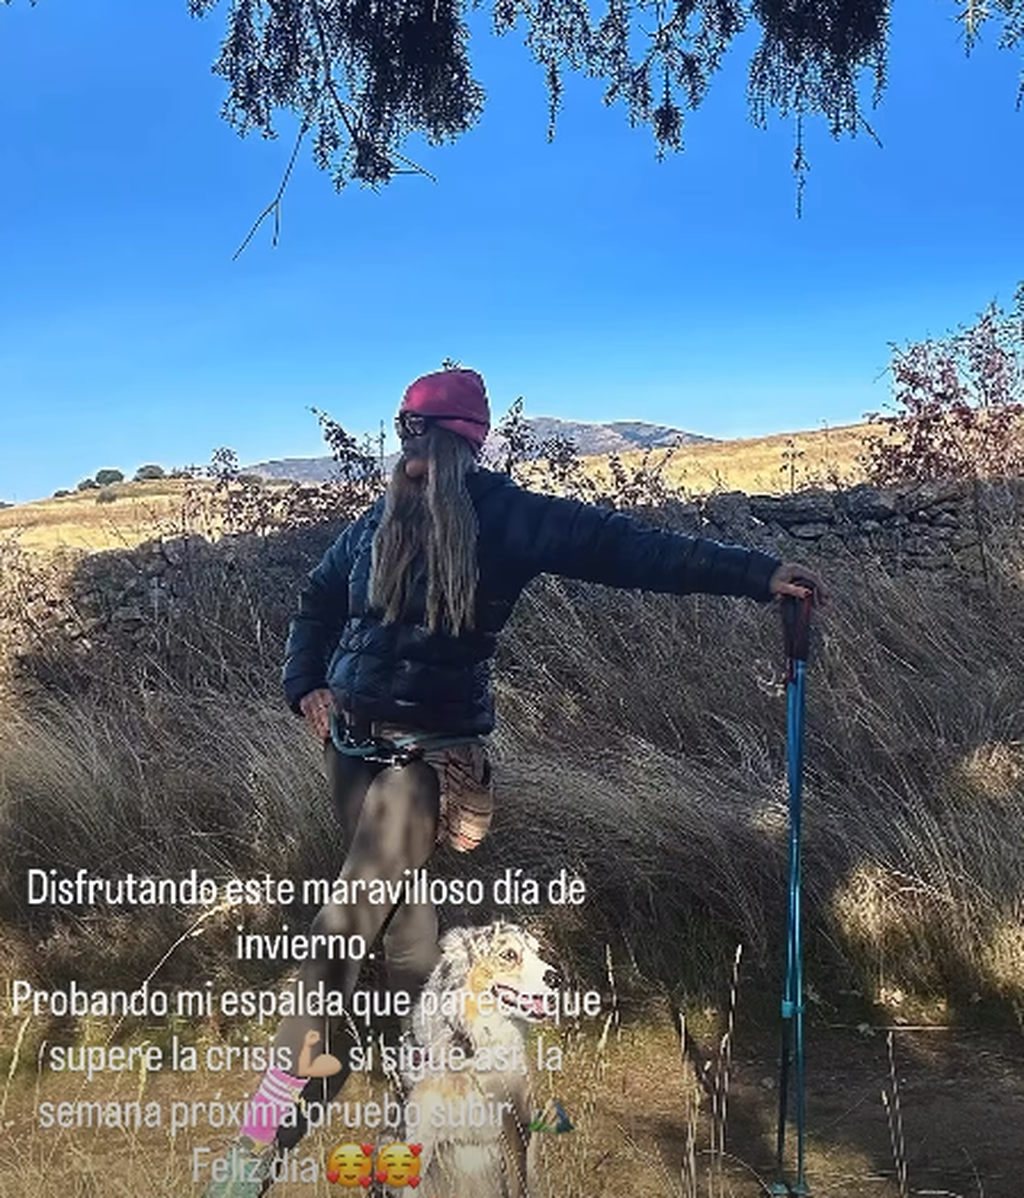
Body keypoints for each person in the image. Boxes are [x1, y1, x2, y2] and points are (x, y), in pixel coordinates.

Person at [199, 368, 825, 1197]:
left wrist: (756, 573)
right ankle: (422, 1128)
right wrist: (305, 683)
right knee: (407, 939)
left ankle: (253, 1151)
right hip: (348, 751)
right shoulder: (376, 523)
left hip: (429, 763)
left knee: (338, 929)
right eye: (401, 428)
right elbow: (316, 600)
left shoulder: (509, 518)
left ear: (462, 443)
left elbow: (629, 548)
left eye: (424, 432)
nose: (408, 446)